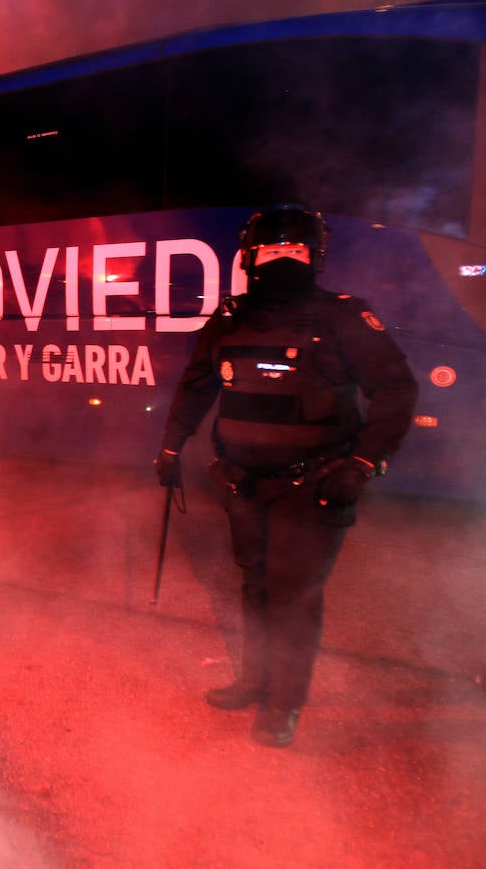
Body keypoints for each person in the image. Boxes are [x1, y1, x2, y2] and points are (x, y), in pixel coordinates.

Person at [154, 203, 418, 748]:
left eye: (294, 251)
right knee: (255, 586)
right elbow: (198, 383)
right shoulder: (229, 317)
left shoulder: (343, 316)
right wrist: (170, 445)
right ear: (250, 257)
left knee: (294, 594)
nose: (282, 260)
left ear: (315, 257)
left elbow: (396, 390)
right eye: (271, 251)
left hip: (314, 482)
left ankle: (285, 702)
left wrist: (363, 463)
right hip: (242, 479)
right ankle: (255, 680)